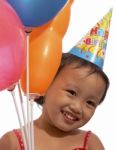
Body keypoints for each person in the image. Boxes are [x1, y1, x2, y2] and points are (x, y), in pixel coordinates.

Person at [0, 9, 112, 150]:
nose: (77, 107)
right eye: (72, 92)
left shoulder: (91, 143)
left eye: (90, 103)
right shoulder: (13, 141)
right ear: (47, 82)